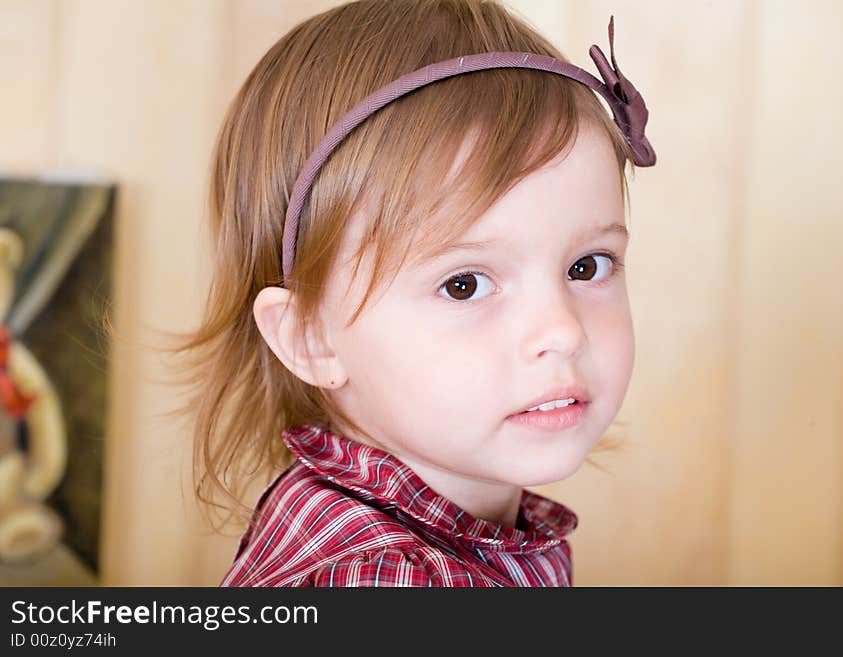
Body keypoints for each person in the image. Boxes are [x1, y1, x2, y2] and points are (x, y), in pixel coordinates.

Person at [170, 0, 656, 587]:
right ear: (310, 336)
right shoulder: (376, 579)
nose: (564, 330)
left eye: (586, 266)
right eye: (464, 284)